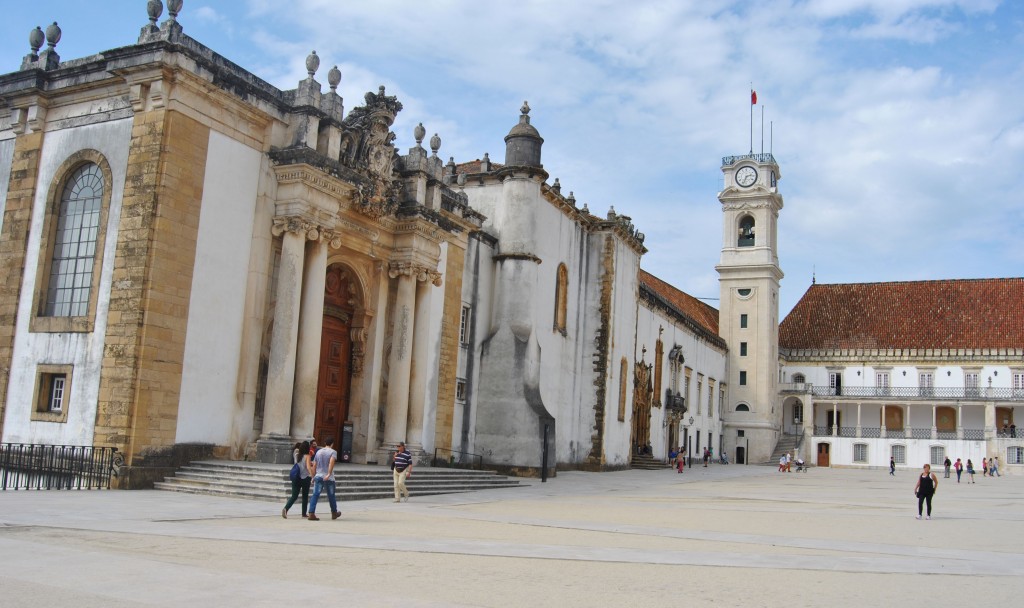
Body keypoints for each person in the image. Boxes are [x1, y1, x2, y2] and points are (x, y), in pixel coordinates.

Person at [307, 436, 341, 521]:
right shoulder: (333, 452)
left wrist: (313, 476)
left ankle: (311, 512)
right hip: (328, 477)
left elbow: (314, 465)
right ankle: (334, 512)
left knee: (315, 494)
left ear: (325, 443)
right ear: (332, 444)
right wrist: (329, 474)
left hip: (318, 475)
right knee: (331, 495)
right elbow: (331, 463)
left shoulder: (318, 452)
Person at [282, 440, 311, 519]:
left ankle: (286, 508)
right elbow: (308, 467)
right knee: (305, 496)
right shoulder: (307, 456)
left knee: (294, 496)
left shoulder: (297, 455)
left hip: (296, 477)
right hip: (305, 478)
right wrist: (312, 475)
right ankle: (304, 513)